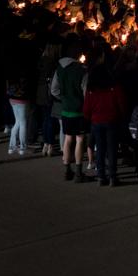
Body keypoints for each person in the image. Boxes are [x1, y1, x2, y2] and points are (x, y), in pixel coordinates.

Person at [50, 36, 88, 181]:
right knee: (79, 139)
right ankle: (78, 171)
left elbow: (54, 89)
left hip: (65, 109)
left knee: (68, 138)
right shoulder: (81, 70)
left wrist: (64, 98)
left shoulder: (59, 68)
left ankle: (67, 169)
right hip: (78, 109)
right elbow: (85, 92)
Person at [82, 64, 127, 187]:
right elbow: (121, 104)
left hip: (97, 121)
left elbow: (86, 109)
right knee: (112, 149)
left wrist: (90, 118)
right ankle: (113, 176)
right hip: (112, 121)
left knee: (100, 149)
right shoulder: (114, 87)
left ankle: (101, 176)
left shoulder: (91, 90)